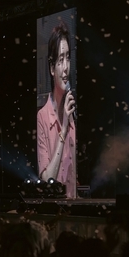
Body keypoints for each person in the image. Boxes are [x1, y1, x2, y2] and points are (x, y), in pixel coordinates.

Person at [37, 21, 76, 198]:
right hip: (54, 213)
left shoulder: (72, 111)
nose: (66, 67)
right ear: (52, 68)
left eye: (68, 57)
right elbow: (47, 179)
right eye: (61, 60)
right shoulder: (43, 117)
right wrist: (65, 128)